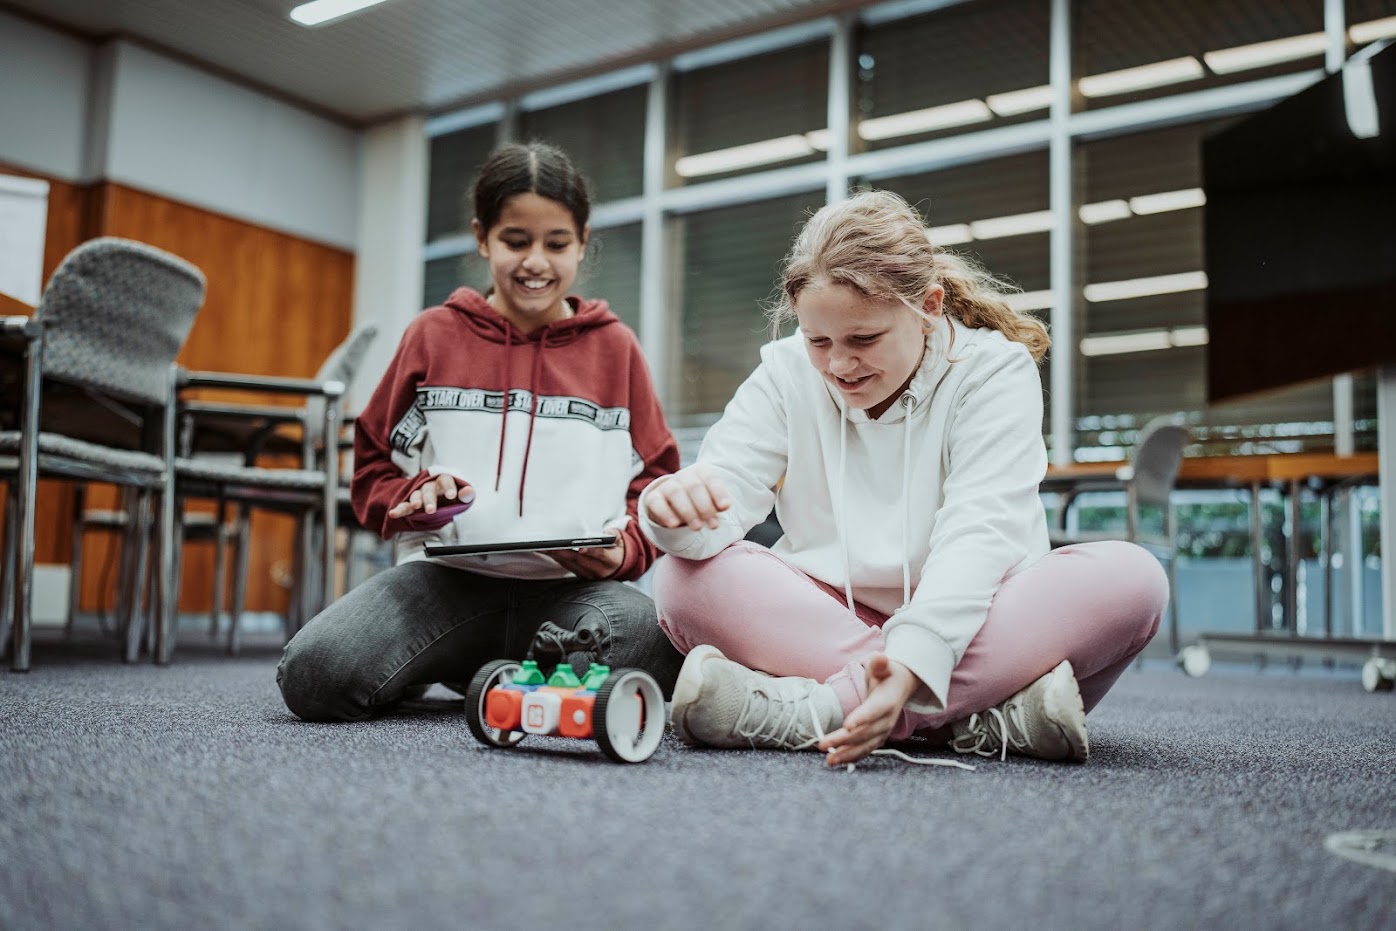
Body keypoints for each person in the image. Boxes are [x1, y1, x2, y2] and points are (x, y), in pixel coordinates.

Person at [639, 190, 1169, 767]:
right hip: (829, 619)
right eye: (819, 341)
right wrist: (675, 508)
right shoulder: (787, 372)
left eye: (863, 339)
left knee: (1134, 580)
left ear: (930, 305)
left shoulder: (994, 371)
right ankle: (985, 718)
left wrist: (915, 661)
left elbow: (978, 531)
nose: (839, 365)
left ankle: (816, 712)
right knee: (681, 577)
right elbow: (722, 490)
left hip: (981, 618)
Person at [278, 141, 684, 721]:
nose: (536, 262)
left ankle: (477, 670)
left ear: (583, 243)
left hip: (568, 595)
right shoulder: (432, 336)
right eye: (515, 241)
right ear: (482, 237)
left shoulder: (615, 349)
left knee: (652, 638)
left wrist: (625, 551)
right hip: (444, 583)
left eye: (557, 243)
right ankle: (501, 675)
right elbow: (370, 468)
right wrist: (413, 500)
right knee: (315, 675)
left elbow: (658, 484)